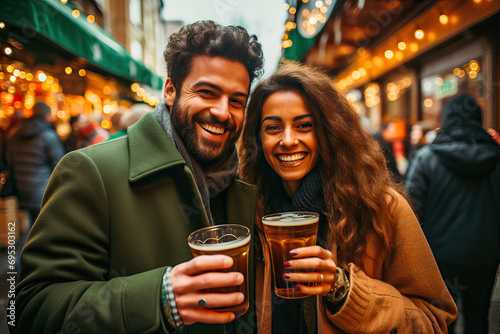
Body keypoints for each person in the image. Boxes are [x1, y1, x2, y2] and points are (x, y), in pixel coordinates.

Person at [13, 20, 264, 333]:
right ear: (170, 90)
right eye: (207, 92)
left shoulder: (246, 182)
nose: (223, 112)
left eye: (236, 101)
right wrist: (159, 299)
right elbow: (34, 309)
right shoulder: (90, 170)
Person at [239, 62, 457, 333]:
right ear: (258, 138)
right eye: (273, 128)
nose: (288, 140)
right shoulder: (250, 207)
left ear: (330, 130)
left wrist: (342, 288)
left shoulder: (380, 206)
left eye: (304, 125)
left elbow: (433, 320)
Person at [405, 93, 500, 334]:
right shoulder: (496, 158)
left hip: (439, 259)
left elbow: (411, 211)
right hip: (486, 255)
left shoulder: (425, 158)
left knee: (441, 321)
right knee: (478, 318)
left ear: (445, 120)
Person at [6, 101, 65, 228]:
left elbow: (9, 160)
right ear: (47, 115)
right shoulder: (48, 135)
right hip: (42, 191)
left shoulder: (15, 134)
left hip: (21, 189)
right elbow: (59, 164)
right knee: (44, 228)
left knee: (32, 226)